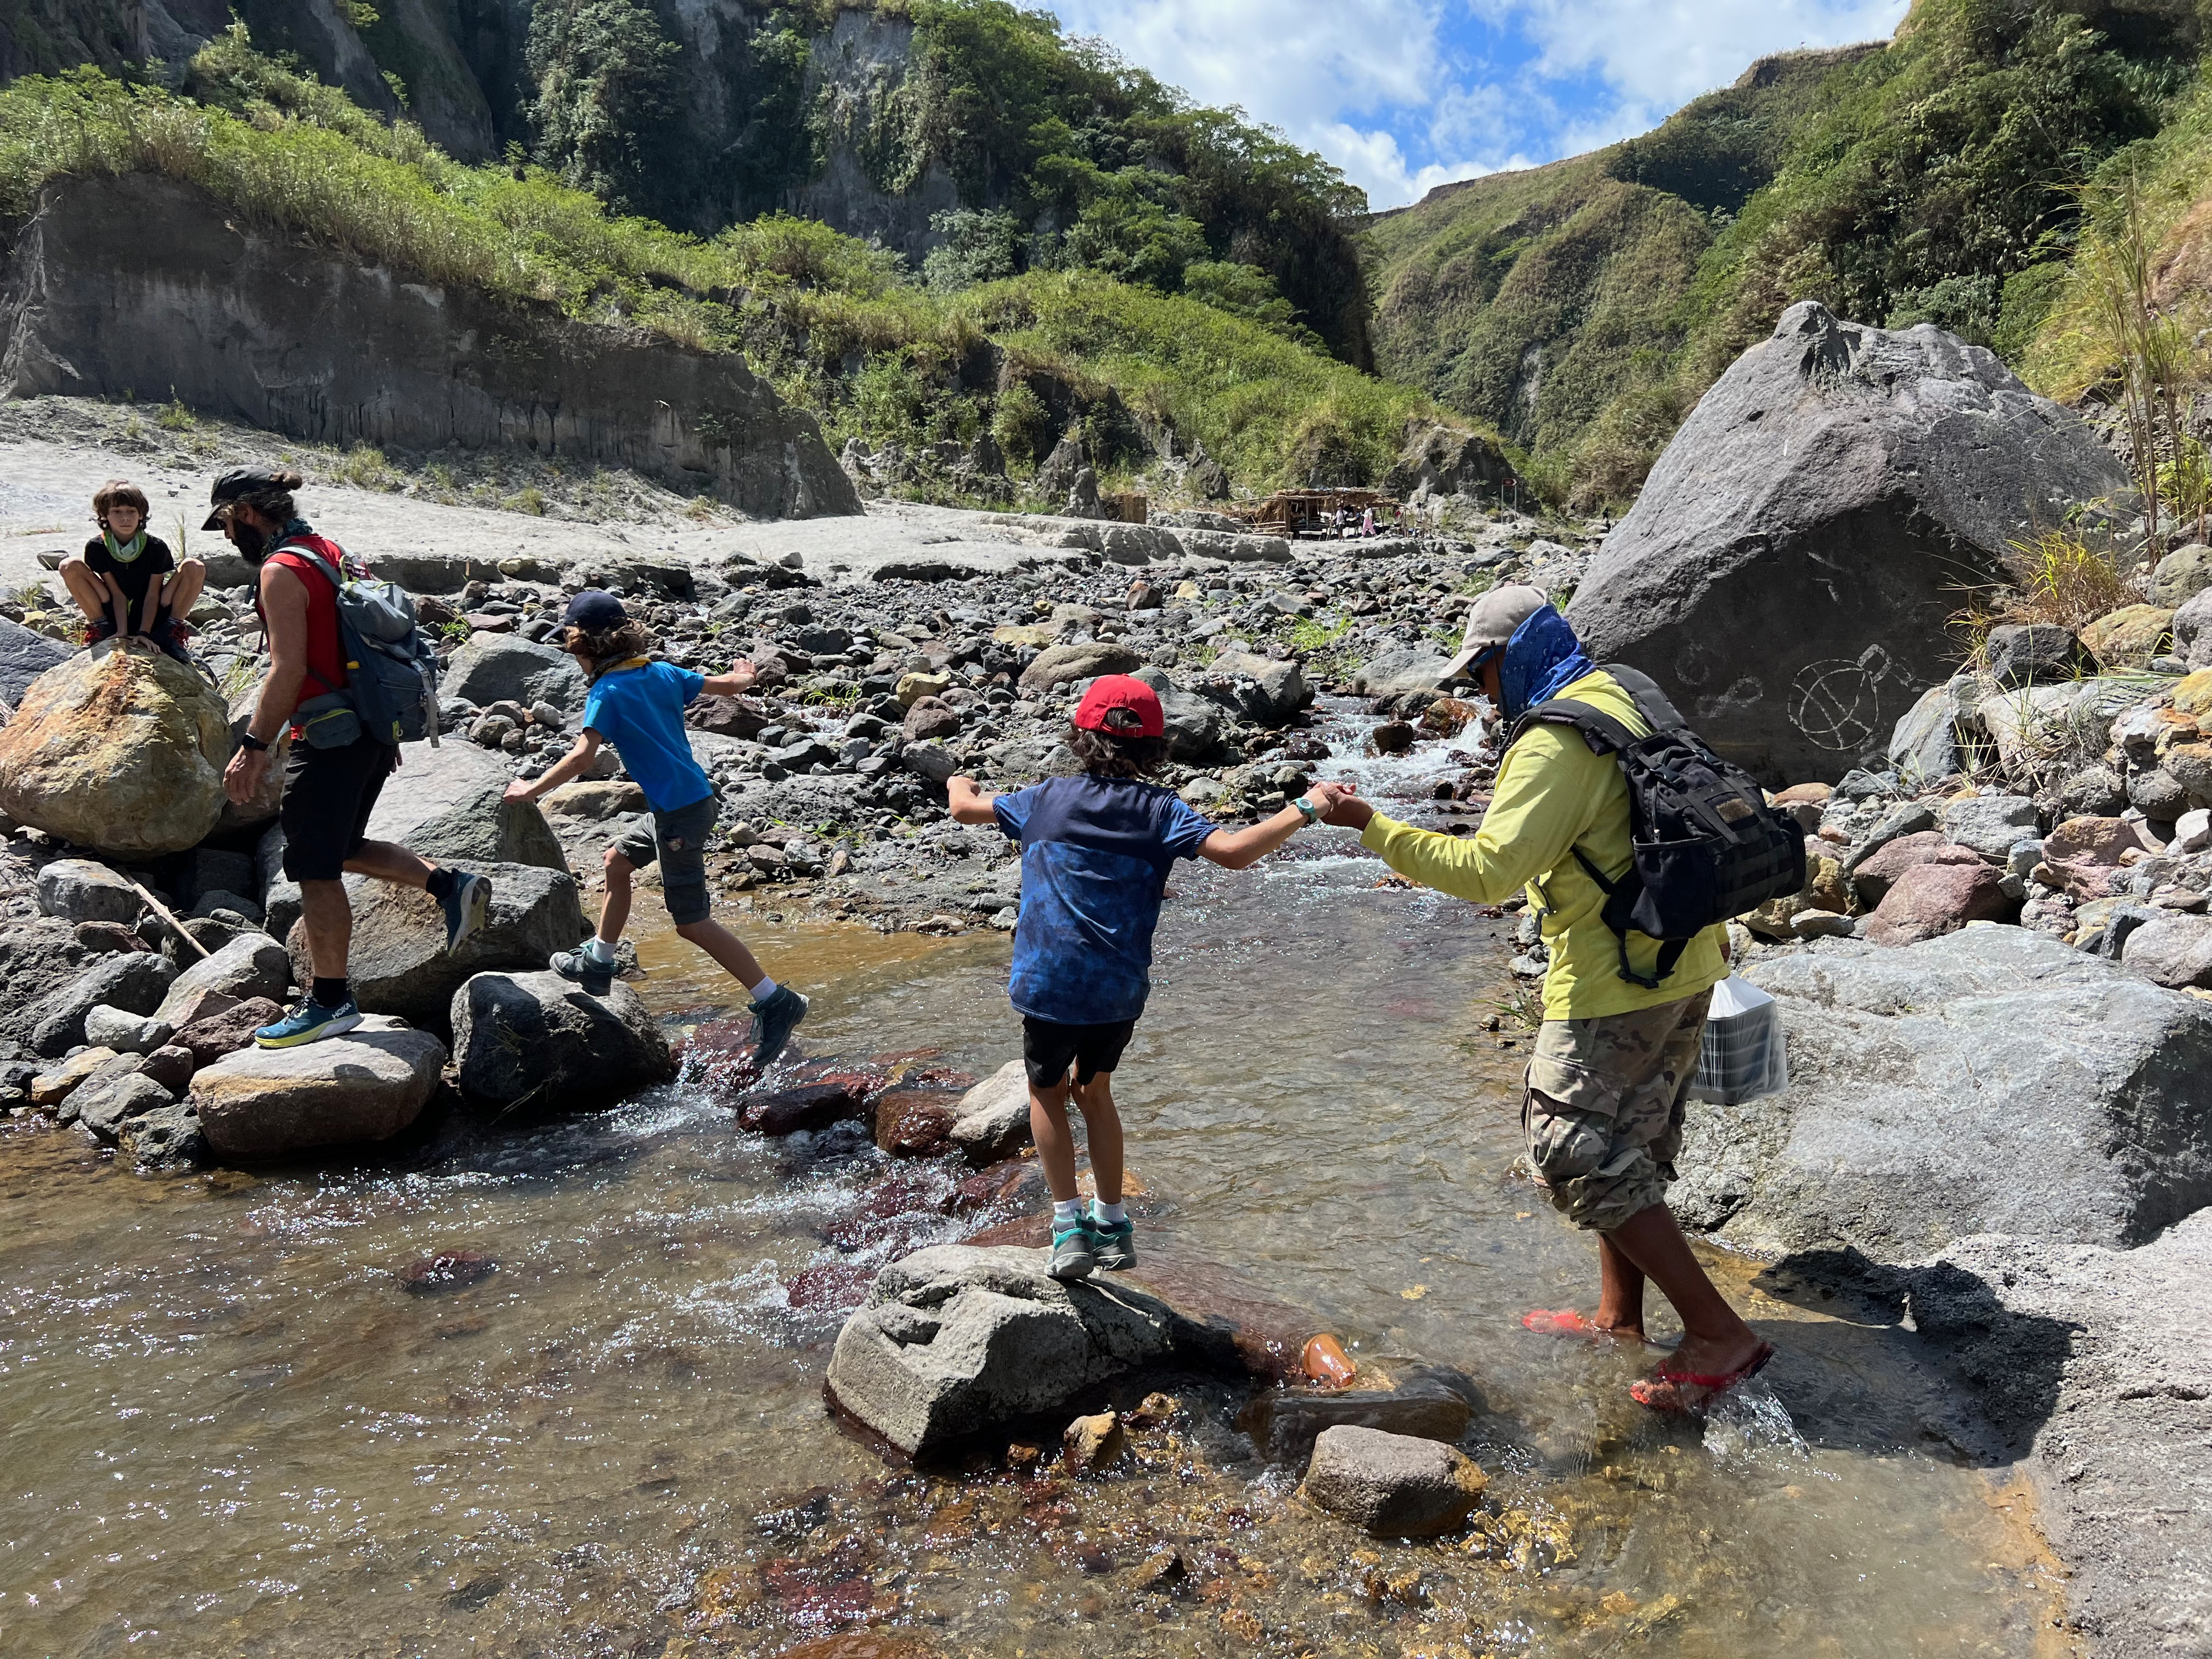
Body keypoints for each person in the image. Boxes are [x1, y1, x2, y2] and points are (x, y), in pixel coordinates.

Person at [1310, 586, 1772, 1410]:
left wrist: (1372, 827)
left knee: (1568, 1148)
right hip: (1688, 956)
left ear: (1514, 655)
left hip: (1612, 979)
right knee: (1631, 1144)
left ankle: (1717, 1333)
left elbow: (1489, 873)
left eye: (1483, 673)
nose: (1484, 693)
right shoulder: (1624, 692)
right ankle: (1619, 1319)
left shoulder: (1554, 741)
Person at [946, 675, 1334, 1280]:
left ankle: (1068, 1226)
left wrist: (958, 781)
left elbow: (964, 808)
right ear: (1156, 747)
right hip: (1119, 990)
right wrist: (1307, 806)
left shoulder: (1044, 799)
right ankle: (1114, 1223)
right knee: (1095, 1092)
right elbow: (1236, 852)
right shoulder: (1162, 810)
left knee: (1046, 1092)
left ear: (1079, 737)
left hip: (1050, 983)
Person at [216, 467, 492, 1048]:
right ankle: (450, 886)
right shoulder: (331, 552)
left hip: (329, 736)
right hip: (370, 727)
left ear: (245, 513)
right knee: (341, 848)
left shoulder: (280, 569)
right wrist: (381, 729)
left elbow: (288, 670)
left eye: (225, 523)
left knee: (315, 868)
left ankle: (330, 1002)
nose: (226, 537)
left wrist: (254, 746)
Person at [504, 590, 810, 1068]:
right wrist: (748, 674)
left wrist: (532, 789)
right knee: (616, 862)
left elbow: (583, 758)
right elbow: (728, 686)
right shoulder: (663, 672)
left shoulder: (607, 693)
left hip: (680, 816)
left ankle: (775, 1000)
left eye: (571, 644)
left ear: (586, 646)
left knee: (691, 923)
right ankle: (599, 962)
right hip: (686, 805)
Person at [60, 479, 204, 663]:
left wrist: (144, 633)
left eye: (131, 511)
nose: (125, 518)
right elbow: (116, 593)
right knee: (69, 565)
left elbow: (153, 594)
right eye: (117, 512)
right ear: (105, 515)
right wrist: (122, 632)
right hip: (112, 610)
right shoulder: (97, 547)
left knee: (194, 566)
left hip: (153, 611)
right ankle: (102, 628)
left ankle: (170, 632)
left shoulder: (155, 547)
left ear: (141, 514)